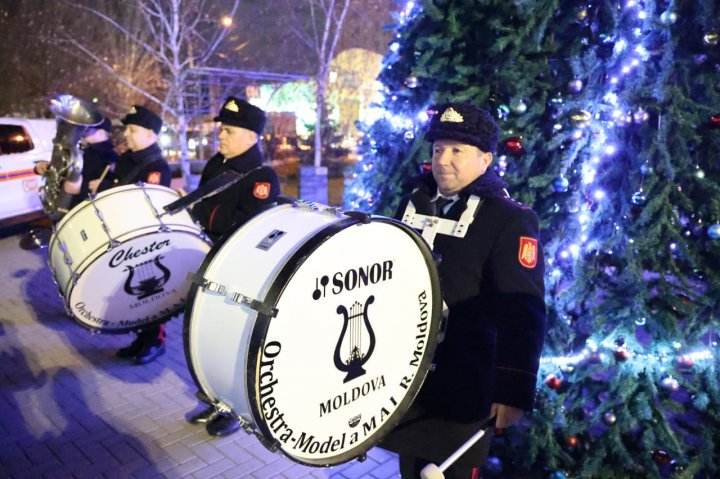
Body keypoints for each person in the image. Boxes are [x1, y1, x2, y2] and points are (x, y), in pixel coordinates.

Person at [380, 102, 547, 479]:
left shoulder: (508, 219)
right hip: (407, 381)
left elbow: (523, 310)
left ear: (485, 160)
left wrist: (512, 389)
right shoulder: (413, 201)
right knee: (412, 470)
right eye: (438, 148)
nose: (443, 160)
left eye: (458, 150)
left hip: (465, 387)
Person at [186, 97, 281, 437]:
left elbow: (249, 232)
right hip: (208, 265)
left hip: (236, 276)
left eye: (228, 130)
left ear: (252, 137)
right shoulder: (217, 164)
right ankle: (216, 399)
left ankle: (236, 409)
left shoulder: (262, 177)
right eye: (221, 129)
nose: (220, 136)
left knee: (232, 347)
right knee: (207, 341)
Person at [90, 105, 173, 365]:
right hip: (122, 235)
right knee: (133, 296)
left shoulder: (157, 166)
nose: (127, 134)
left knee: (149, 293)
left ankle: (155, 340)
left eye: (134, 130)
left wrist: (103, 187)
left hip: (143, 240)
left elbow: (142, 202)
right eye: (127, 128)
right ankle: (140, 338)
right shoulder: (127, 159)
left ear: (152, 135)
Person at [34, 116, 119, 209]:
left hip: (83, 209)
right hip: (68, 207)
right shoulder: (83, 151)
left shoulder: (110, 157)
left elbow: (110, 189)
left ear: (101, 132)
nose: (82, 133)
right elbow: (64, 170)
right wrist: (45, 167)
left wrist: (82, 188)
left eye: (87, 130)